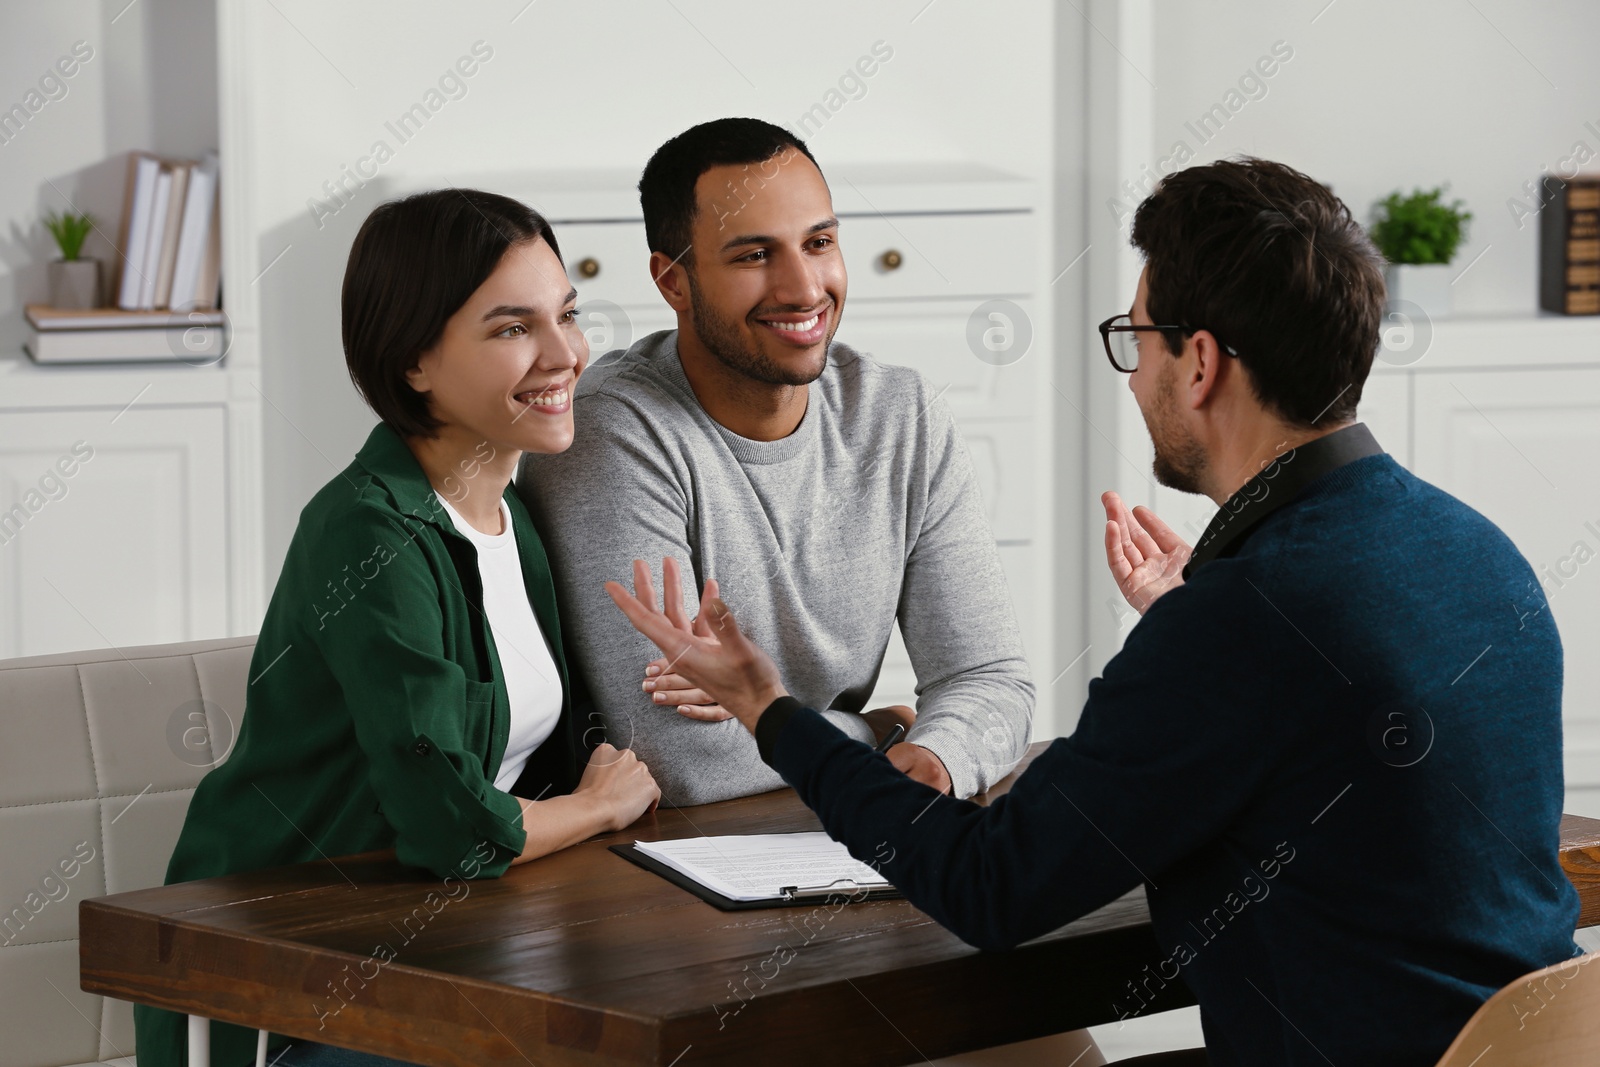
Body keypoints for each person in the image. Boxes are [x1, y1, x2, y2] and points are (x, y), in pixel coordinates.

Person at [603, 159, 1583, 1065]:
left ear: (1198, 363)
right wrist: (1199, 619)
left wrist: (769, 708)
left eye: (1136, 338)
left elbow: (991, 885)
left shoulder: (1249, 614)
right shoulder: (1473, 548)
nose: (1132, 373)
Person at [134, 190, 662, 1067]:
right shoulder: (369, 532)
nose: (566, 353)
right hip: (292, 986)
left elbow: (534, 755)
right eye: (510, 328)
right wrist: (597, 805)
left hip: (447, 942)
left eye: (566, 315)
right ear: (415, 360)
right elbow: (449, 824)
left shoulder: (511, 519)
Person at [517, 117, 1034, 807]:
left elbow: (992, 680)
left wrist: (939, 753)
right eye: (754, 255)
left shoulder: (902, 416)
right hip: (653, 867)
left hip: (833, 827)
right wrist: (875, 729)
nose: (802, 288)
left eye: (819, 243)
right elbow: (677, 760)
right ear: (673, 281)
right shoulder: (612, 430)